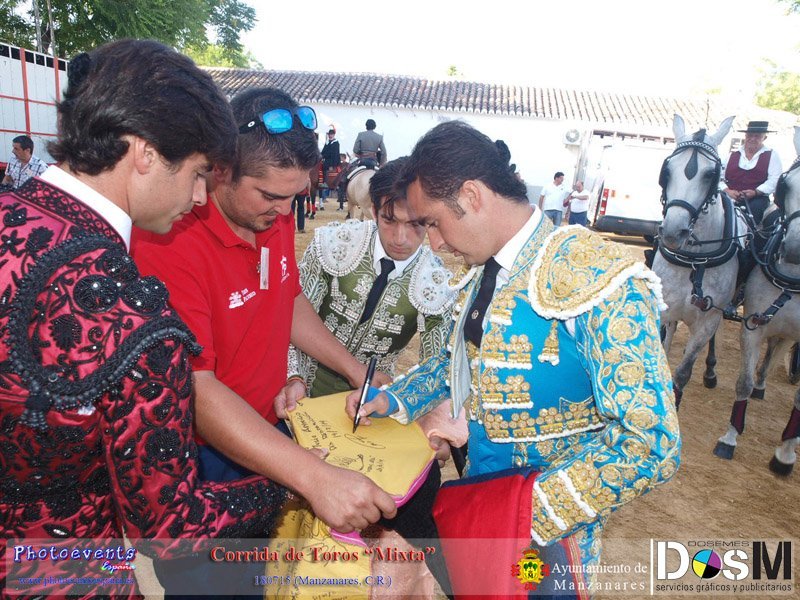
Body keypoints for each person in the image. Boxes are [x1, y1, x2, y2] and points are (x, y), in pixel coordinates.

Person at [0, 39, 288, 598]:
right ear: (146, 153)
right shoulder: (126, 308)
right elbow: (173, 529)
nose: (201, 197)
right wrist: (293, 485)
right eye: (198, 172)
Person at [348, 121, 680, 596]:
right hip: (482, 500)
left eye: (433, 222)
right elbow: (462, 363)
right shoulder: (488, 266)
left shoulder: (596, 273)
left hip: (548, 533)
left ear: (472, 195)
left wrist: (523, 516)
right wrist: (394, 398)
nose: (434, 243)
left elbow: (651, 441)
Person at [131, 87, 397, 597]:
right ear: (220, 170)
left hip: (267, 432)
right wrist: (312, 477)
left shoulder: (268, 218)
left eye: (294, 196)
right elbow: (196, 388)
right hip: (201, 456)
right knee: (209, 587)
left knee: (260, 577)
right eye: (270, 196)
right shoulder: (169, 238)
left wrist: (355, 368)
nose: (284, 211)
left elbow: (286, 298)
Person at [282, 156, 455, 400]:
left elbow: (436, 369)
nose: (400, 238)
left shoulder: (438, 284)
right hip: (302, 388)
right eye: (389, 220)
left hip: (371, 403)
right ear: (373, 211)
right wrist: (293, 377)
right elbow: (288, 314)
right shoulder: (333, 243)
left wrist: (393, 401)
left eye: (415, 224)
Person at [721, 120, 783, 225]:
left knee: (754, 213)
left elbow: (775, 179)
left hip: (757, 199)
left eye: (757, 136)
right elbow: (719, 176)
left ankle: (749, 235)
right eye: (750, 135)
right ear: (745, 136)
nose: (753, 139)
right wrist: (727, 190)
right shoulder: (732, 155)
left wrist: (756, 192)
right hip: (729, 196)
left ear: (764, 138)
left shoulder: (772, 155)